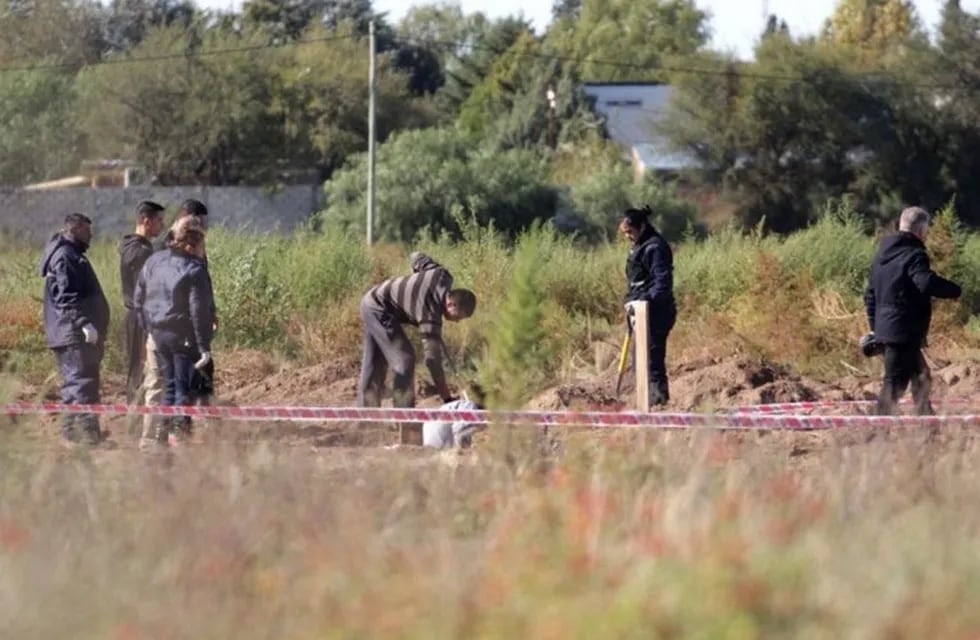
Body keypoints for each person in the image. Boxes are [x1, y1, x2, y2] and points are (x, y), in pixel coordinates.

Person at [864, 206, 961, 415]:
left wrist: (876, 329)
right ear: (921, 230)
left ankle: (927, 427)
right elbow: (924, 282)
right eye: (927, 230)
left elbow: (869, 295)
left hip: (890, 329)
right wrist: (954, 291)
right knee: (894, 385)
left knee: (921, 377)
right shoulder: (915, 254)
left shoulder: (882, 254)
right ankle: (874, 435)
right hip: (903, 332)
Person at [358, 252, 476, 418]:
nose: (456, 322)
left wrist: (416, 285)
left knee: (374, 361)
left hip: (372, 299)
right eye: (458, 317)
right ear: (451, 304)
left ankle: (365, 417)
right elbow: (433, 362)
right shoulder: (430, 315)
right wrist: (447, 398)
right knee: (405, 360)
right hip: (379, 308)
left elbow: (416, 256)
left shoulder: (442, 274)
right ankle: (404, 419)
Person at [134, 216, 216, 448]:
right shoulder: (194, 268)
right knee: (183, 388)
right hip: (183, 336)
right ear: (196, 243)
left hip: (159, 334)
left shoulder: (155, 260)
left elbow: (139, 297)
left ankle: (160, 439)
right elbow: (198, 310)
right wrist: (203, 347)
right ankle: (178, 439)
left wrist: (149, 327)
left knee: (169, 385)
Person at [39, 213, 111, 446]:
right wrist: (84, 323)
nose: (91, 235)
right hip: (73, 334)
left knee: (80, 383)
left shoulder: (71, 254)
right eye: (88, 230)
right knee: (80, 383)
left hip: (73, 333)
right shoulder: (65, 256)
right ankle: (82, 438)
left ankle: (80, 435)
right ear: (77, 228)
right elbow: (66, 297)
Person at [620, 205, 676, 407]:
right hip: (642, 312)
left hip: (657, 313)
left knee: (651, 361)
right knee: (639, 361)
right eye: (625, 233)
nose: (627, 236)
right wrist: (630, 300)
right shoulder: (639, 246)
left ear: (641, 226)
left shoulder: (655, 247)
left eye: (630, 232)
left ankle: (658, 403)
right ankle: (649, 402)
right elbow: (638, 280)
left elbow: (662, 286)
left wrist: (642, 300)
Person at [119, 201, 165, 407]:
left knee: (142, 371)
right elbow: (145, 293)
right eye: (159, 221)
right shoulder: (139, 252)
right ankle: (136, 426)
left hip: (140, 318)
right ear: (146, 221)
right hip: (141, 320)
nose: (162, 226)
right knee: (140, 372)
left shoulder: (137, 248)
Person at [422, 383, 487, 449]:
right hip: (440, 442)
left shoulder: (453, 406)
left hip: (430, 443)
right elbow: (460, 432)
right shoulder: (470, 405)